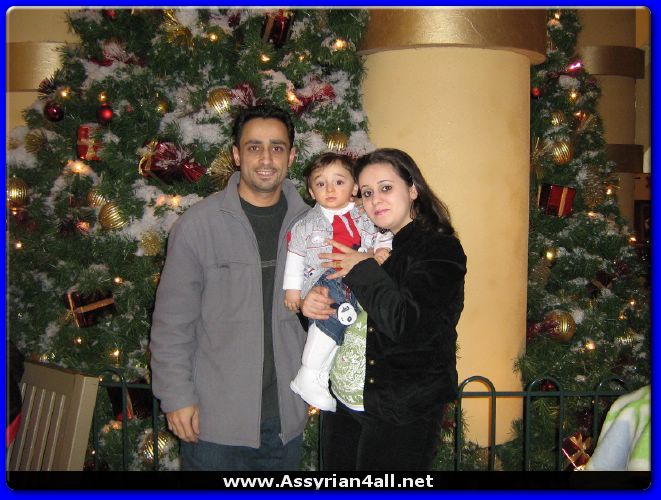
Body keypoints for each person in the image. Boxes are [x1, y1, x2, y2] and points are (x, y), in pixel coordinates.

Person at [149, 104, 311, 471]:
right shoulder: (198, 226)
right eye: (254, 147)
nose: (266, 159)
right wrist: (176, 396)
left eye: (277, 147)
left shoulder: (310, 226)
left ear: (291, 156)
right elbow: (172, 322)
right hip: (213, 426)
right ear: (237, 155)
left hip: (285, 424)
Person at [301, 148, 467, 470]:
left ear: (413, 189)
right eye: (366, 193)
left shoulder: (439, 249)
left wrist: (361, 267)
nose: (375, 200)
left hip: (399, 412)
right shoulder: (368, 244)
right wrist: (312, 304)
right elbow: (343, 317)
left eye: (386, 188)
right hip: (344, 404)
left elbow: (407, 325)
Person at [283, 152, 392, 412]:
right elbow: (295, 256)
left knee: (343, 326)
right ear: (312, 192)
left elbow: (383, 232)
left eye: (339, 182)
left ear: (354, 187)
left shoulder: (366, 214)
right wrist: (293, 291)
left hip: (357, 279)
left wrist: (382, 249)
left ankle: (319, 374)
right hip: (326, 277)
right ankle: (308, 372)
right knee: (330, 317)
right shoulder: (305, 226)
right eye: (321, 184)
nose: (330, 189)